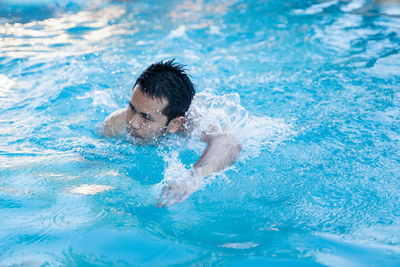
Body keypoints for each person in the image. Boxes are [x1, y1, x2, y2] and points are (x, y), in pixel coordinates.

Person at [100, 60, 241, 207]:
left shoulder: (192, 122)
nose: (133, 123)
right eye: (131, 107)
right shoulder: (115, 124)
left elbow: (228, 142)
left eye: (146, 117)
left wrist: (193, 178)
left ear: (175, 124)